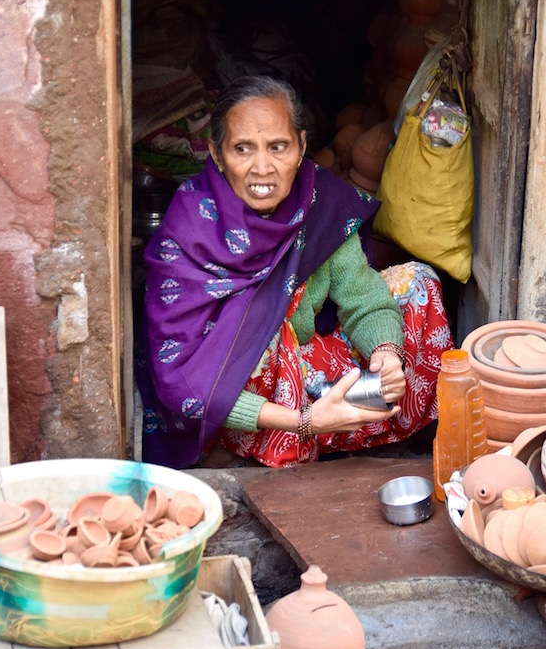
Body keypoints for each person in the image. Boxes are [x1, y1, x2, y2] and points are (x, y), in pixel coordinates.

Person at [138, 74, 453, 468]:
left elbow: (363, 296)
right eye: (242, 149)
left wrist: (386, 355)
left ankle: (348, 419)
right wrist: (305, 421)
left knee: (418, 284)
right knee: (253, 340)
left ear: (302, 147)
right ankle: (259, 442)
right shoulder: (190, 229)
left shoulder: (318, 202)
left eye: (278, 147)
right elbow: (180, 382)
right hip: (251, 398)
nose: (263, 168)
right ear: (217, 155)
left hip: (310, 373)